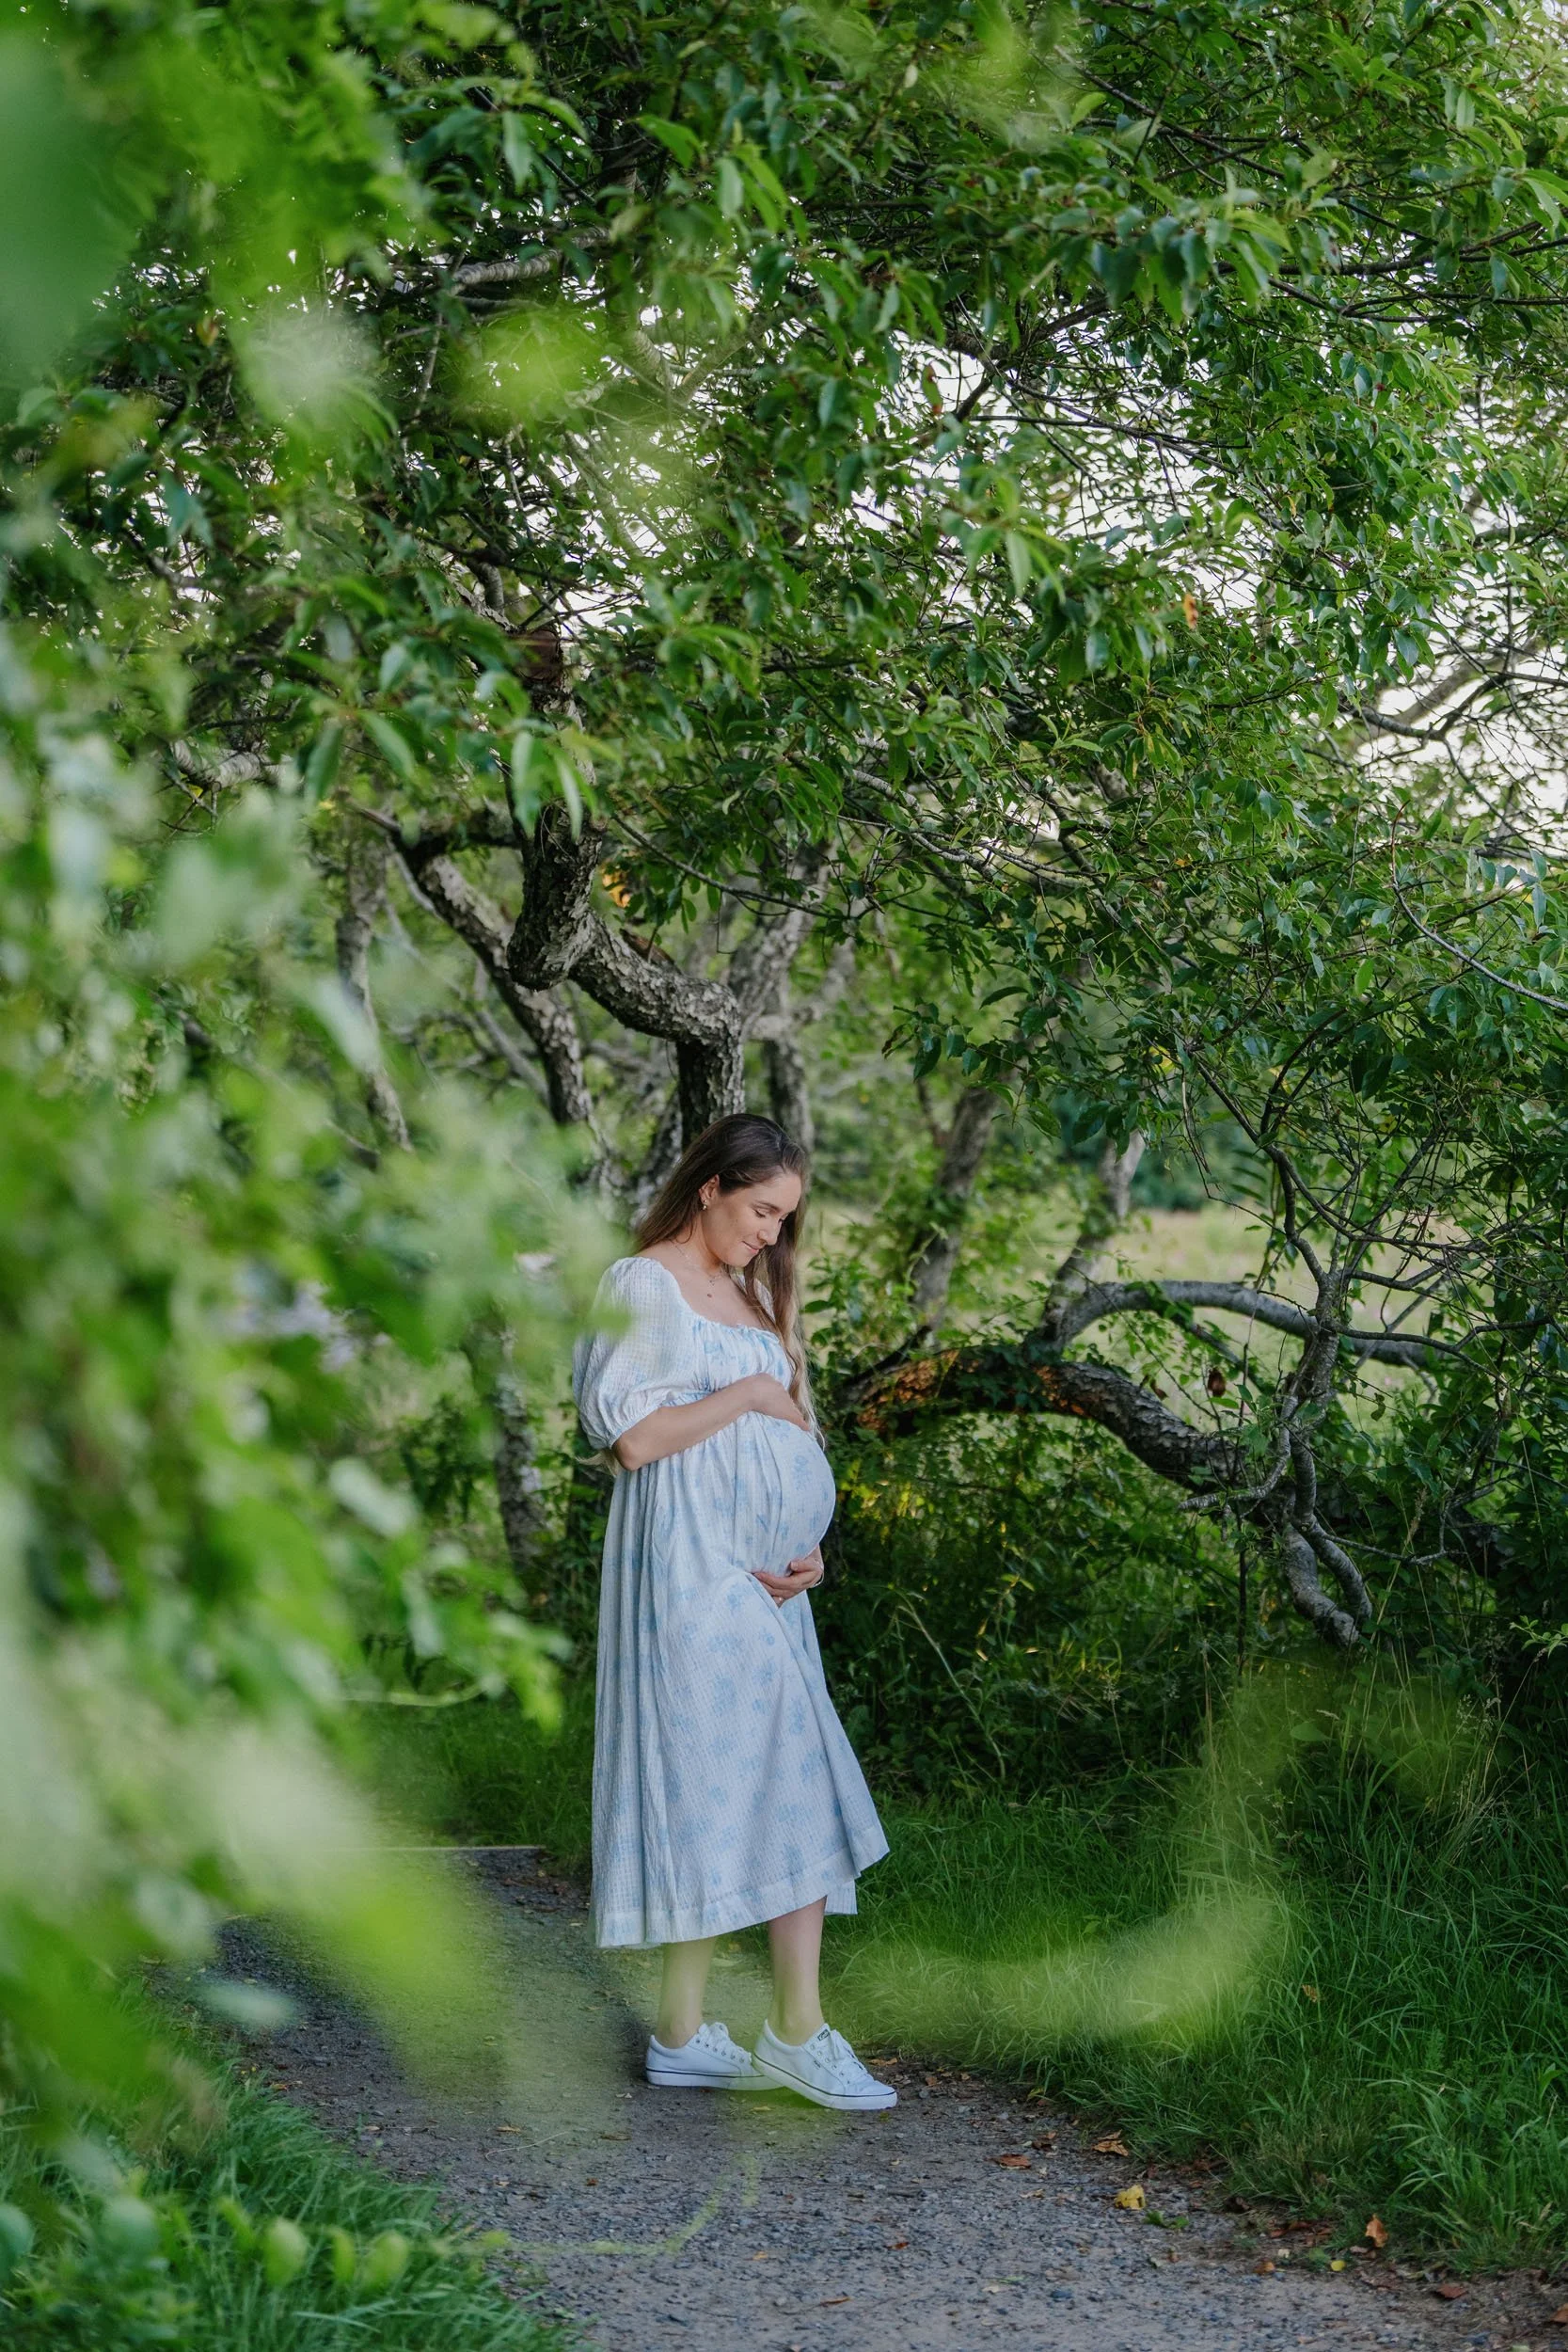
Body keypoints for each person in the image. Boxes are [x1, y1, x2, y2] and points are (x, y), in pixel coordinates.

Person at [572, 1112, 895, 2113]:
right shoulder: (642, 1284)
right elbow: (629, 1436)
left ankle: (678, 2032)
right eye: (761, 1209)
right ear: (709, 1185)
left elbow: (786, 1436)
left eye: (784, 1217)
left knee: (722, 1783)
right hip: (685, 1571)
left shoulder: (756, 1290)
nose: (770, 1232)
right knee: (786, 1766)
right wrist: (750, 1391)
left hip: (762, 1582)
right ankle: (796, 2030)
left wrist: (806, 1551)